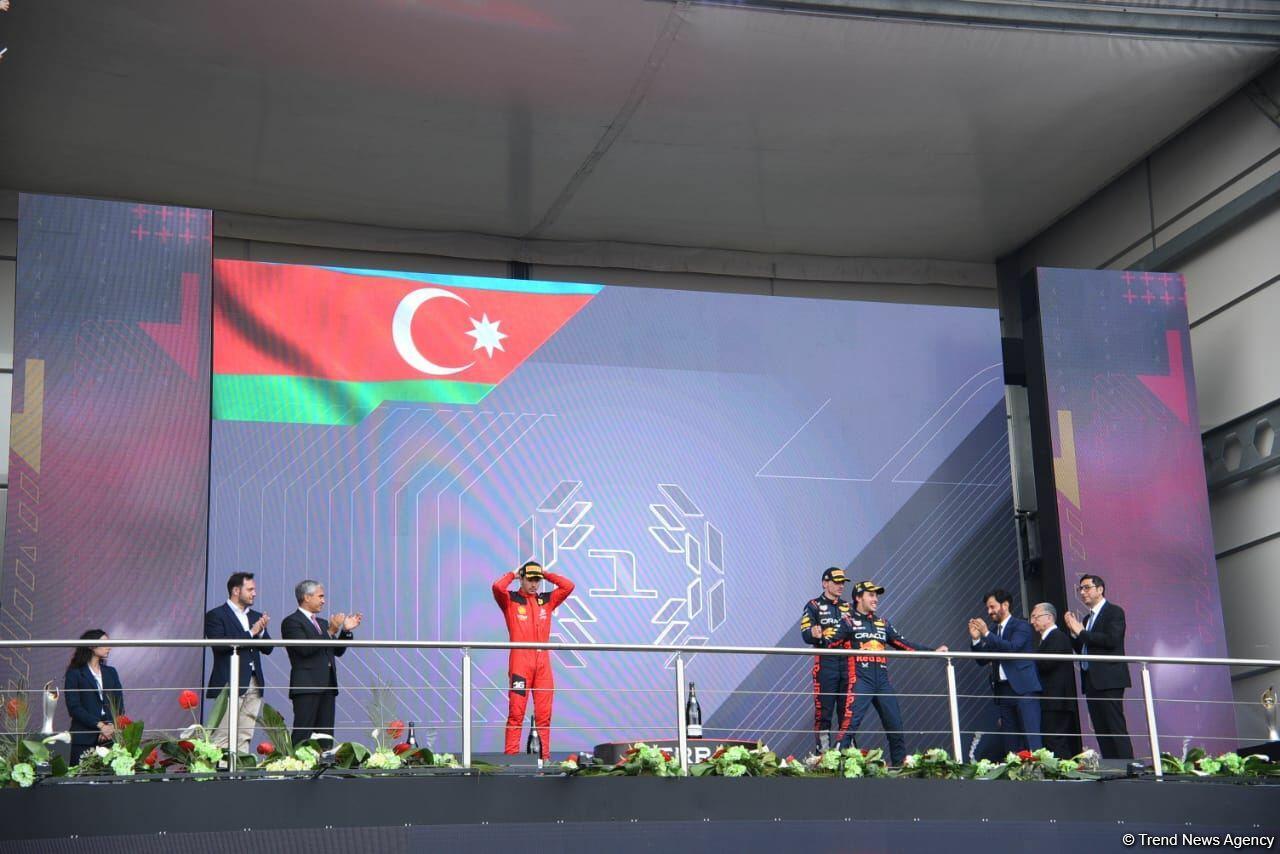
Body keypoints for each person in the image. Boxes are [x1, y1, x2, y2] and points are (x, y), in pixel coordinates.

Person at [838, 580, 947, 764]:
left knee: (895, 726)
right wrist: (817, 636)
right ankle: (835, 766)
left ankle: (898, 769)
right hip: (860, 680)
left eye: (876, 595)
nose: (876, 599)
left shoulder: (882, 623)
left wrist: (932, 652)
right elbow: (829, 643)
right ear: (858, 597)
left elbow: (904, 644)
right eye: (871, 595)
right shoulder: (847, 621)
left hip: (882, 682)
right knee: (849, 725)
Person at [492, 561, 574, 759]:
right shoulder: (510, 599)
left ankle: (543, 760)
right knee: (516, 713)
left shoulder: (546, 600)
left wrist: (545, 573)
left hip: (543, 665)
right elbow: (497, 587)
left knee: (544, 716)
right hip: (520, 663)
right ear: (522, 579)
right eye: (530, 579)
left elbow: (568, 586)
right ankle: (511, 760)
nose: (534, 584)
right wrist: (512, 574)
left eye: (537, 580)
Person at [281, 580, 361, 746]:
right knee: (303, 734)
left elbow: (337, 651)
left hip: (328, 685)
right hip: (307, 685)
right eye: (320, 596)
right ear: (307, 597)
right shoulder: (292, 622)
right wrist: (330, 631)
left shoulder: (323, 623)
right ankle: (298, 762)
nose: (323, 601)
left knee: (325, 736)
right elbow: (304, 650)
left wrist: (345, 631)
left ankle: (324, 762)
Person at [1063, 574, 1133, 758]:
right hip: (1091, 680)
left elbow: (1111, 640)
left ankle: (1127, 765)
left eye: (1087, 588)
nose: (1082, 592)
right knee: (1101, 729)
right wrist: (1074, 633)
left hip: (1109, 679)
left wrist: (1081, 631)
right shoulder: (1087, 619)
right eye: (1080, 589)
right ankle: (1111, 765)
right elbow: (1083, 648)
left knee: (1115, 727)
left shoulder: (1114, 612)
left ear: (1100, 589)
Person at [205, 571, 273, 753]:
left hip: (254, 682)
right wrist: (251, 633)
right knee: (223, 734)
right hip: (229, 682)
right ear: (236, 590)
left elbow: (268, 648)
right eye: (250, 589)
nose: (254, 593)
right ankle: (221, 769)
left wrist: (261, 631)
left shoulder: (256, 616)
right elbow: (219, 646)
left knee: (245, 734)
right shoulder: (216, 615)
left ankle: (240, 768)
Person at [969, 589, 1042, 752]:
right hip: (1003, 691)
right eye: (988, 608)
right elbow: (982, 660)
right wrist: (976, 639)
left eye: (992, 607)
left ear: (1005, 605)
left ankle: (1038, 768)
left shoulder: (1021, 625)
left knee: (1031, 738)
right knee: (1010, 741)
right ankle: (1014, 767)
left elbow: (1012, 648)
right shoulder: (994, 631)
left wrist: (986, 633)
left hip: (1023, 690)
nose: (989, 612)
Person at [799, 567, 854, 752]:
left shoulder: (848, 607)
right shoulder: (813, 605)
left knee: (847, 712)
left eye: (842, 583)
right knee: (824, 713)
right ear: (825, 583)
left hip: (847, 664)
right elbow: (806, 634)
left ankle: (849, 754)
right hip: (825, 664)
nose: (840, 586)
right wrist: (813, 634)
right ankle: (823, 755)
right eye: (836, 582)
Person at [1030, 601, 1082, 758]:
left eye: (1035, 617)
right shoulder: (1047, 639)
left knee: (1055, 740)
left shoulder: (1057, 637)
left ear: (1049, 617)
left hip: (1058, 701)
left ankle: (1064, 771)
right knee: (1051, 740)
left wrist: (1029, 661)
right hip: (1052, 701)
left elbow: (1046, 664)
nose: (1032, 621)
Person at [64, 630, 124, 763]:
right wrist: (101, 726)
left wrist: (110, 727)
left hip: (110, 738)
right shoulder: (75, 673)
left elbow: (119, 704)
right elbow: (74, 707)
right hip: (83, 738)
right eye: (104, 643)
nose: (109, 647)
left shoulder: (111, 672)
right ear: (91, 646)